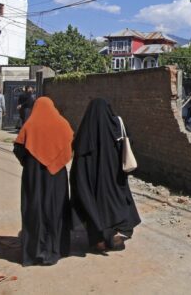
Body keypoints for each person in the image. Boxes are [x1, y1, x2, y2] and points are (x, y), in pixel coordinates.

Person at [70, 98, 140, 252]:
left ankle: (99, 240)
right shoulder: (116, 123)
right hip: (114, 177)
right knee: (114, 203)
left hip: (93, 179)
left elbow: (78, 151)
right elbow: (130, 141)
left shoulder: (86, 128)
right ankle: (114, 235)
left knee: (94, 205)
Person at [13, 97, 73, 266]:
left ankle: (34, 252)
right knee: (55, 209)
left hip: (34, 176)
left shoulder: (30, 125)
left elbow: (18, 149)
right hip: (57, 176)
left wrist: (30, 162)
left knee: (34, 209)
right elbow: (69, 148)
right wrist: (55, 160)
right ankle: (56, 249)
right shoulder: (62, 124)